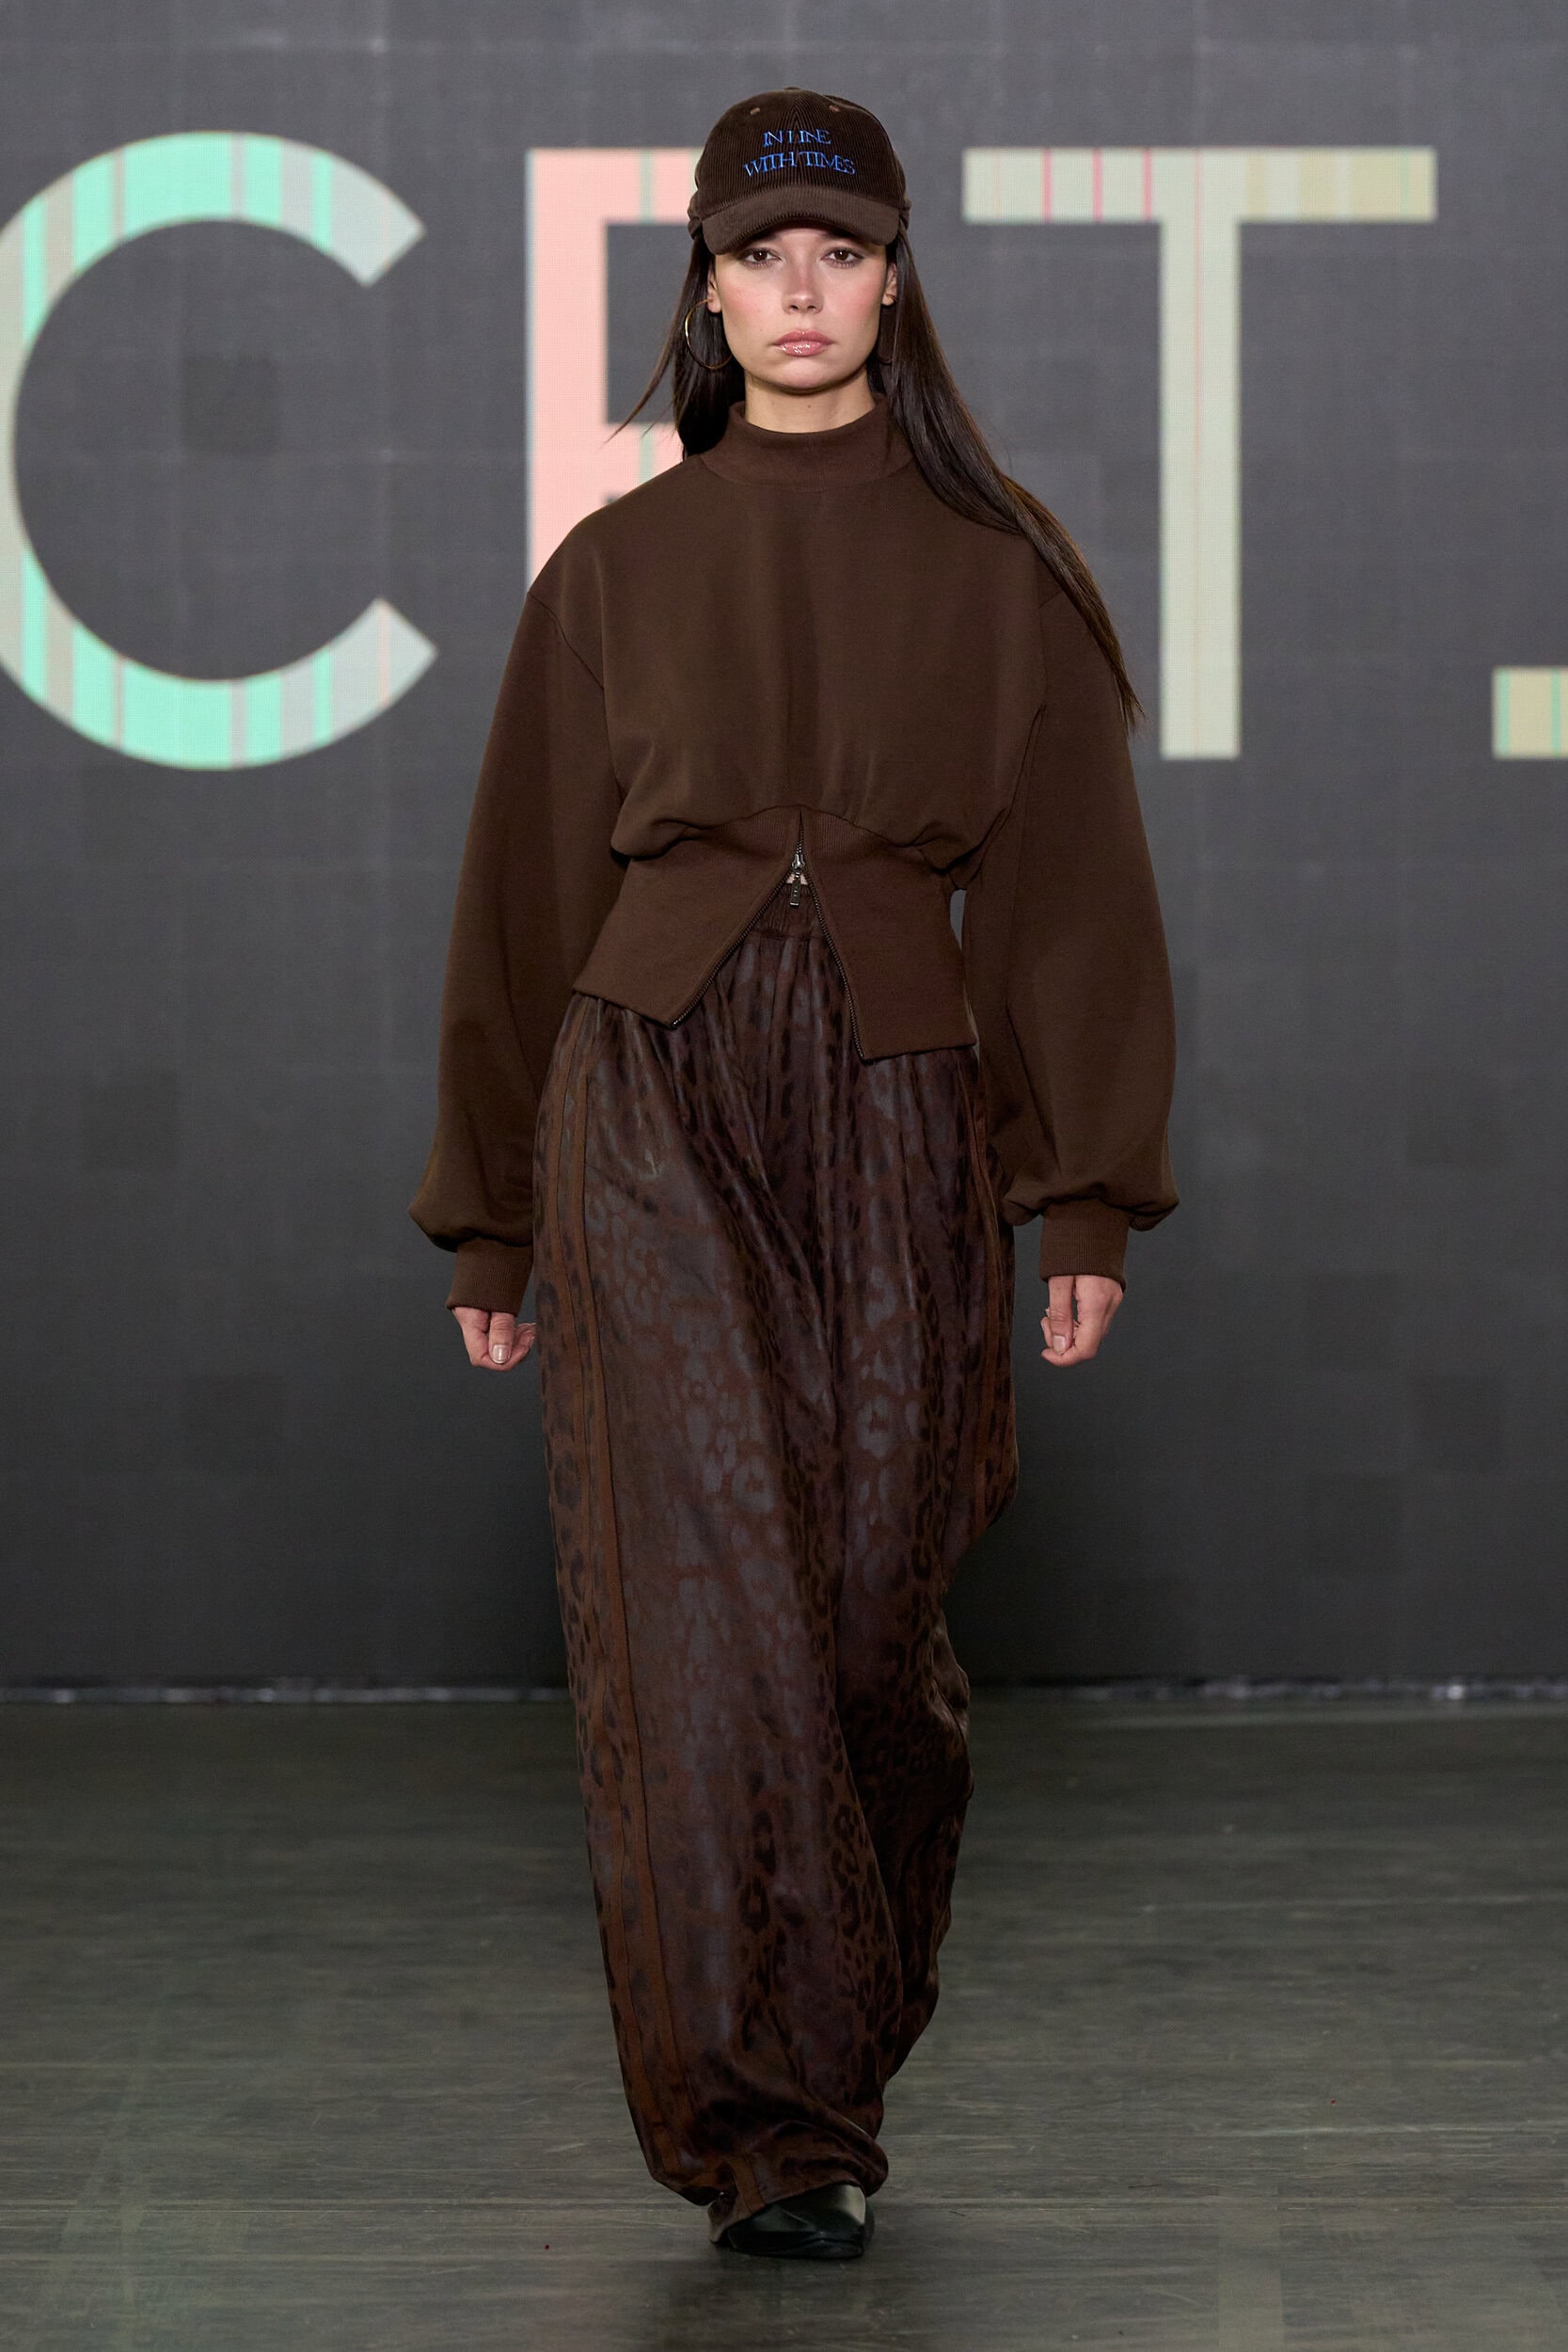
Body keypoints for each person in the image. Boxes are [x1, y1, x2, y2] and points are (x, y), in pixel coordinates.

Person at [411, 86, 1177, 2262]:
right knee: (707, 1621)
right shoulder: (614, 572)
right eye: (764, 254)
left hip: (901, 1102)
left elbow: (1072, 900)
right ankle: (776, 2127)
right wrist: (493, 1206)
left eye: (842, 251)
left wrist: (1086, 1190)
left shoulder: (1002, 575)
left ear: (897, 280)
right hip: (651, 1099)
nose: (805, 289)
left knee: (860, 1627)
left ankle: (836, 2017)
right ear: (711, 291)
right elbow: (523, 896)